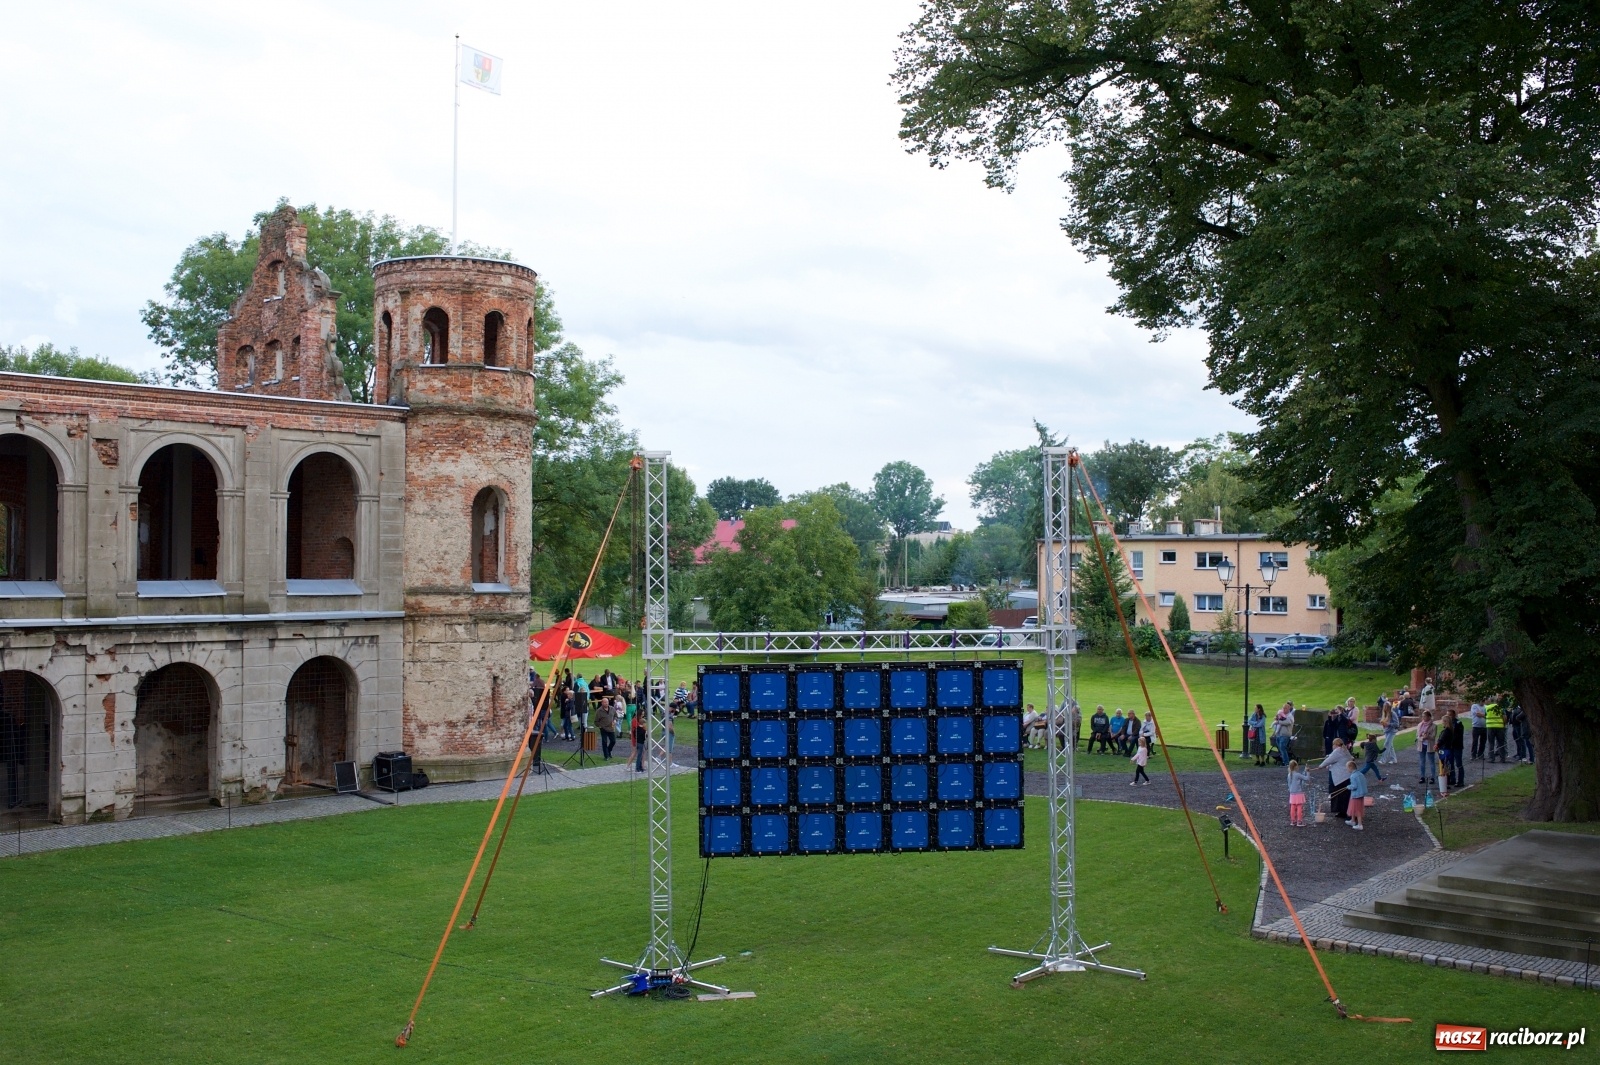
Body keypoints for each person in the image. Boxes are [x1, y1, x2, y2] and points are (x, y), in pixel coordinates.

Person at [1318, 739, 1354, 821]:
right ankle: (1345, 811)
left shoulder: (1337, 751)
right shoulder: (1344, 750)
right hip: (1347, 776)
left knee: (1339, 795)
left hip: (1340, 777)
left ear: (1335, 744)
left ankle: (1342, 812)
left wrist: (1320, 766)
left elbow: (1329, 760)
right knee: (1345, 796)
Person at [3, 700, 27, 810]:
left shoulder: (7, 717)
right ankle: (13, 799)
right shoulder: (7, 717)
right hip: (9, 751)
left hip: (10, 751)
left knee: (12, 771)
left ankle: (13, 799)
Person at [1445, 710, 1466, 789]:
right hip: (1450, 747)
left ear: (1454, 715)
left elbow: (1456, 736)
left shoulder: (1458, 724)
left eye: (1450, 715)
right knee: (1450, 764)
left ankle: (1461, 781)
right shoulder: (1448, 724)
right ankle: (1452, 778)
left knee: (1459, 763)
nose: (1449, 717)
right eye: (1448, 715)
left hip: (1457, 746)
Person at [1286, 759, 1310, 827]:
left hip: (1292, 793)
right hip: (1298, 793)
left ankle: (1293, 821)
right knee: (1299, 807)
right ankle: (1299, 821)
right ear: (1296, 766)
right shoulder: (1297, 775)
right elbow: (1306, 778)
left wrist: (1305, 771)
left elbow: (1289, 784)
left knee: (1293, 807)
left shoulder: (1289, 775)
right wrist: (1308, 771)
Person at [1345, 758, 1368, 830]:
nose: (1347, 770)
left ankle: (1360, 825)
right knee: (1355, 808)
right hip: (1361, 794)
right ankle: (1352, 820)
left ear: (1350, 768)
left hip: (1356, 795)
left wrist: (1348, 787)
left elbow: (1354, 786)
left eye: (1347, 768)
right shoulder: (1360, 773)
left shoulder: (1353, 776)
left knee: (1357, 809)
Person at [595, 695, 619, 760]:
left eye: (607, 702)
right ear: (602, 703)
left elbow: (616, 716)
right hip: (603, 728)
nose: (606, 703)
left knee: (613, 741)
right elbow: (596, 721)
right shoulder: (599, 711)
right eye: (605, 702)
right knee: (604, 742)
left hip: (611, 728)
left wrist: (615, 720)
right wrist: (600, 726)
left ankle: (608, 751)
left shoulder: (612, 708)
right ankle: (606, 756)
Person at [1415, 710, 1436, 785]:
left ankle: (1433, 777)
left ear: (1429, 717)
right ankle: (1422, 776)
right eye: (1423, 716)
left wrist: (1427, 736)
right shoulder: (1420, 725)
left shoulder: (1433, 726)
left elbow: (1433, 736)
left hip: (1429, 745)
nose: (1423, 717)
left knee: (1431, 762)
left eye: (1425, 716)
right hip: (1421, 745)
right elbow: (1417, 736)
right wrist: (1422, 738)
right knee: (1422, 762)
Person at [1484, 697, 1507, 763]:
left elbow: (1485, 716)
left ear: (1490, 701)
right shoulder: (1500, 707)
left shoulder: (1487, 708)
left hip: (1490, 727)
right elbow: (1505, 717)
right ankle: (1503, 758)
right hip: (1500, 727)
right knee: (1501, 743)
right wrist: (1503, 724)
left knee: (1491, 743)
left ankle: (1491, 758)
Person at [1380, 696, 1402, 764]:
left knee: (1386, 744)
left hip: (1392, 731)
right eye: (1384, 706)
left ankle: (1383, 760)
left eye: (1386, 706)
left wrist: (1388, 724)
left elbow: (1397, 724)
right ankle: (1393, 759)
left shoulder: (1393, 713)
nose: (1385, 708)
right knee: (1390, 745)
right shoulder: (1384, 714)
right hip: (1386, 731)